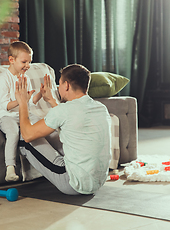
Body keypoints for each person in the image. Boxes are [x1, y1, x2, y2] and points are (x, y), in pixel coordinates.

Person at [15, 64, 112, 195]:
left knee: (23, 140)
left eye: (59, 84)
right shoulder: (101, 108)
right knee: (59, 133)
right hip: (98, 182)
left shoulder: (64, 110)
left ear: (66, 85)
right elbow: (69, 117)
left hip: (73, 184)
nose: (58, 88)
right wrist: (51, 100)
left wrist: (22, 102)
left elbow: (27, 135)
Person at [0, 41, 44, 182]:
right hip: (6, 115)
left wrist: (40, 94)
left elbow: (30, 102)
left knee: (41, 126)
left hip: (23, 114)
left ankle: (39, 168)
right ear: (11, 60)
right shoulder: (3, 79)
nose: (27, 65)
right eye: (24, 62)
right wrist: (20, 100)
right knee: (13, 132)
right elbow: (5, 105)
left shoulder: (25, 78)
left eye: (29, 62)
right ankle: (10, 168)